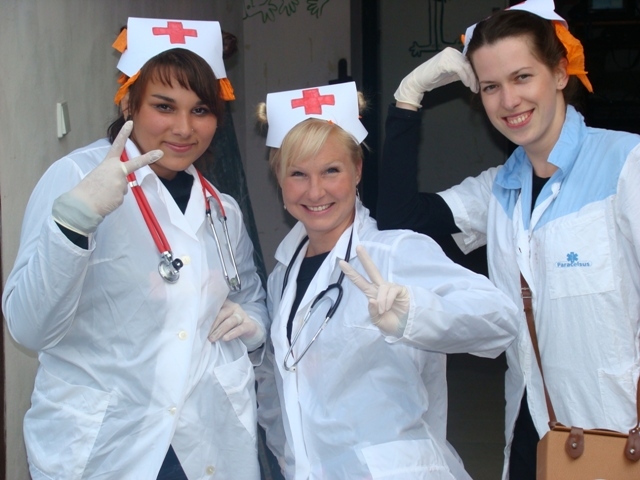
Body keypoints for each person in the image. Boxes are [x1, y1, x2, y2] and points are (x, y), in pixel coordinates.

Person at [377, 1, 640, 479]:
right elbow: (399, 218)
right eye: (491, 87)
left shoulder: (626, 164)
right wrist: (408, 97)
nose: (508, 101)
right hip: (535, 430)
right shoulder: (499, 189)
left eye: (522, 77)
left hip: (619, 436)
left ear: (559, 73)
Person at [2, 18, 267, 479]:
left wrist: (253, 323)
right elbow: (28, 326)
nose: (184, 128)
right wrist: (76, 221)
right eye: (164, 106)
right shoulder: (75, 178)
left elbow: (249, 297)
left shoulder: (221, 207)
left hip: (204, 439)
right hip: (109, 444)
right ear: (129, 103)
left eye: (201, 109)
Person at [253, 81, 518, 479]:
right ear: (278, 177)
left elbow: (500, 319)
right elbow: (278, 389)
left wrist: (416, 314)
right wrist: (289, 462)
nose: (315, 191)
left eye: (331, 170)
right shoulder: (282, 277)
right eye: (298, 174)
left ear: (357, 170)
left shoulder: (395, 251)